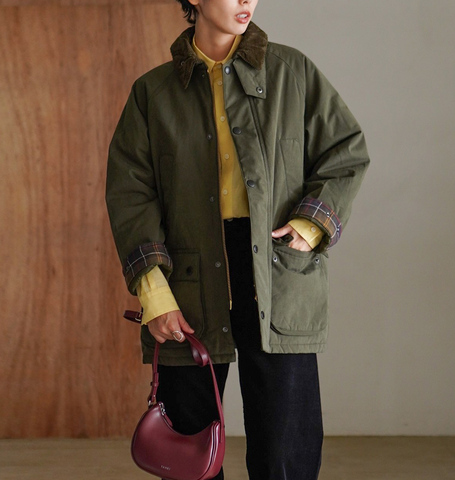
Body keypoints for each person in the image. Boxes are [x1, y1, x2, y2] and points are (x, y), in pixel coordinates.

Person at [106, 0, 369, 478]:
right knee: (189, 454)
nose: (247, 0)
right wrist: (154, 292)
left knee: (285, 453)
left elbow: (345, 151)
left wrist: (311, 225)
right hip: (187, 281)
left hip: (276, 270)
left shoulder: (292, 72)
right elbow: (131, 193)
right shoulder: (153, 93)